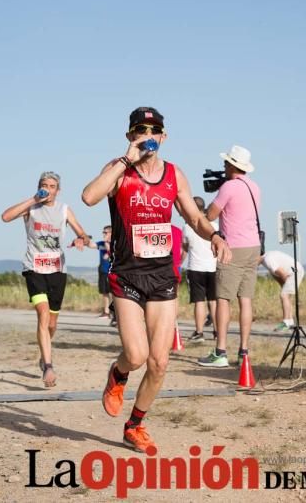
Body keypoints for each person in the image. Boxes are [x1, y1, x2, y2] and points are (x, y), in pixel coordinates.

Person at [81, 107, 231, 452]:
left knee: (159, 361)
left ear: (163, 136)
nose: (148, 134)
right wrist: (125, 159)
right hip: (127, 273)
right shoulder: (119, 169)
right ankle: (118, 375)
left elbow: (193, 217)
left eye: (154, 129)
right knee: (135, 355)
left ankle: (134, 425)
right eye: (140, 129)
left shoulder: (174, 175)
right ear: (130, 134)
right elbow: (89, 197)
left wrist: (215, 236)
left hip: (162, 273)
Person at [1, 171, 89, 387]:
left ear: (57, 191)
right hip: (34, 268)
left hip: (57, 270)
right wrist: (33, 199)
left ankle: (44, 351)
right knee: (42, 314)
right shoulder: (30, 208)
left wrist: (81, 239)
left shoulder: (64, 210)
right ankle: (48, 366)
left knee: (51, 323)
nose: (47, 189)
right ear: (39, 186)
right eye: (44, 185)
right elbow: (5, 217)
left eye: (52, 186)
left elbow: (83, 234)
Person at [198, 145, 261, 368]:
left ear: (232, 165)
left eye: (226, 163)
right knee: (245, 300)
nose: (223, 167)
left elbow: (211, 214)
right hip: (253, 246)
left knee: (223, 299)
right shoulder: (254, 187)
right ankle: (244, 351)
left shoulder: (229, 187)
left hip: (232, 247)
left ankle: (221, 351)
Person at [181, 196, 218, 343]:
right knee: (213, 301)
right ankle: (216, 331)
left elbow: (185, 246)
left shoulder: (188, 227)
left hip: (196, 267)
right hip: (213, 267)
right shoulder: (215, 226)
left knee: (199, 301)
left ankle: (199, 332)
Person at [259, 250, 305, 332]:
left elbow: (283, 274)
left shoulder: (268, 260)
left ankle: (286, 323)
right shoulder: (266, 260)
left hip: (294, 272)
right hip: (294, 271)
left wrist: (285, 291)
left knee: (284, 295)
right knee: (285, 295)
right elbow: (278, 277)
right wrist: (285, 288)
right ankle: (290, 322)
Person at [86, 225, 113, 320]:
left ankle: (114, 312)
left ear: (111, 233)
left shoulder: (114, 244)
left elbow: (110, 250)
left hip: (112, 271)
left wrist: (107, 242)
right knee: (104, 292)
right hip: (103, 270)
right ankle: (106, 312)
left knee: (113, 293)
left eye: (105, 233)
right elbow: (91, 245)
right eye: (103, 232)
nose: (103, 234)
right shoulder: (101, 244)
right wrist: (85, 239)